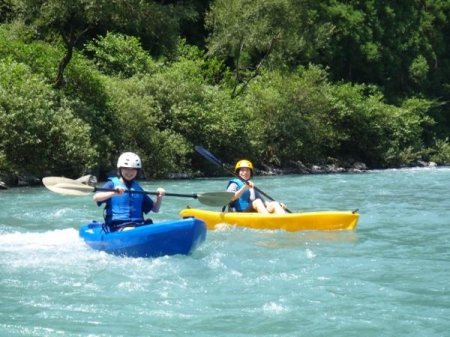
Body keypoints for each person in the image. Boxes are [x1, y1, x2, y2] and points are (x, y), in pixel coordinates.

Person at [93, 152, 165, 231]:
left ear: (137, 171)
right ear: (120, 169)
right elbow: (96, 198)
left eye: (133, 169)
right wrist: (113, 193)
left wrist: (159, 197)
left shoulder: (138, 188)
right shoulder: (111, 184)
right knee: (130, 229)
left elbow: (155, 209)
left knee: (149, 225)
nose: (130, 172)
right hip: (117, 226)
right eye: (126, 168)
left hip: (138, 225)